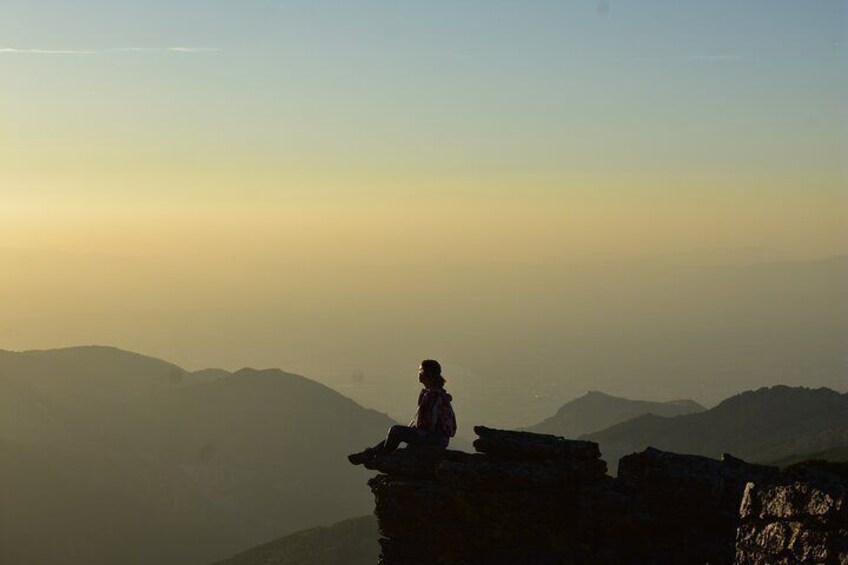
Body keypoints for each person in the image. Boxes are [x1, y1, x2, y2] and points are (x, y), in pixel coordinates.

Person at [348, 359, 456, 465]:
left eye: (420, 370)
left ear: (426, 373)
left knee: (395, 431)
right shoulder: (432, 394)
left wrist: (420, 432)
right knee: (395, 433)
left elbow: (435, 423)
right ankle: (370, 454)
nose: (418, 373)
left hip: (435, 438)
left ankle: (381, 457)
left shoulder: (435, 397)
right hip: (434, 437)